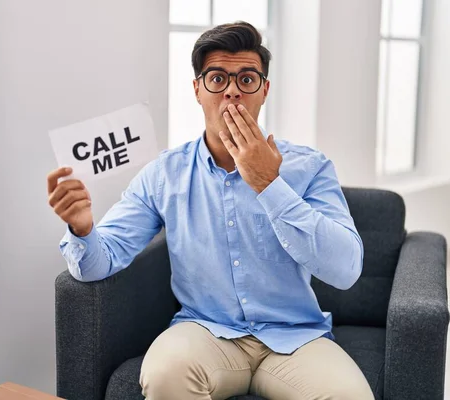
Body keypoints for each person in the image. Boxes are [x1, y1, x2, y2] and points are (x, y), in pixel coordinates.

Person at [47, 21, 374, 400]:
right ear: (198, 90)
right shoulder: (163, 174)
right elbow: (98, 264)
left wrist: (269, 185)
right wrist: (83, 230)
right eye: (218, 79)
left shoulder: (310, 166)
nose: (233, 91)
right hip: (205, 332)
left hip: (296, 337)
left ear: (264, 91)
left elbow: (347, 270)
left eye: (247, 79)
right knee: (165, 374)